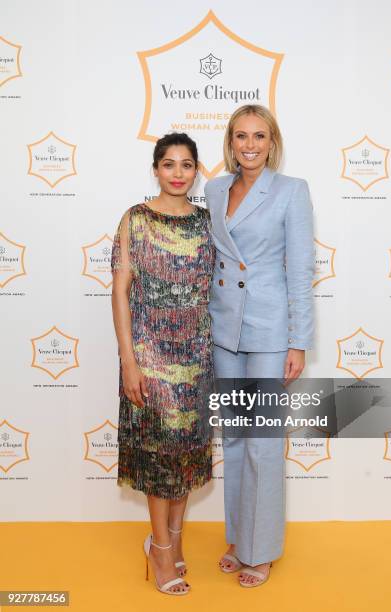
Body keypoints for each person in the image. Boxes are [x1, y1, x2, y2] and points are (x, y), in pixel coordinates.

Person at [204, 104, 314, 587]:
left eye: (260, 137)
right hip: (223, 328)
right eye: (242, 136)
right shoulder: (212, 189)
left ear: (272, 143)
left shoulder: (291, 191)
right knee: (233, 438)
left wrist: (298, 340)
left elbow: (301, 271)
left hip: (269, 330)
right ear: (230, 142)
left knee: (263, 443)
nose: (250, 145)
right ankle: (238, 537)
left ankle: (261, 548)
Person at [111, 132, 215, 596]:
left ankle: (172, 541)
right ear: (155, 168)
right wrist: (128, 361)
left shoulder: (209, 222)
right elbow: (120, 291)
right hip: (149, 353)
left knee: (187, 455)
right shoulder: (134, 220)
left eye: (186, 165)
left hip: (197, 353)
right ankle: (160, 550)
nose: (177, 173)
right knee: (159, 455)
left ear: (196, 171)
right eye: (169, 164)